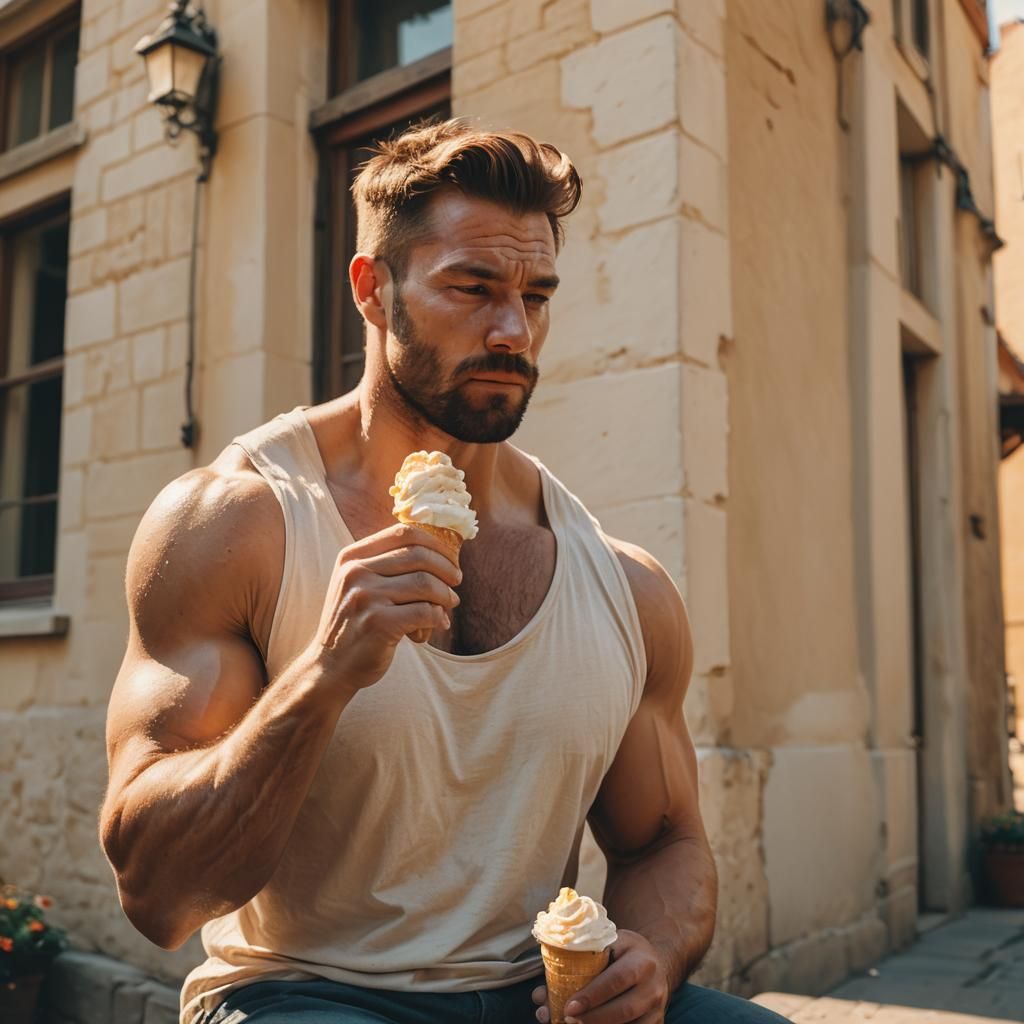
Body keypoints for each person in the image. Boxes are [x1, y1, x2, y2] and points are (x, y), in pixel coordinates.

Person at [99, 119, 787, 1024]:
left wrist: (648, 958)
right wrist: (320, 676)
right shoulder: (235, 525)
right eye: (473, 288)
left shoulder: (624, 588)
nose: (514, 330)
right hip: (309, 993)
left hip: (533, 996)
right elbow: (158, 895)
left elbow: (665, 843)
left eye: (536, 295)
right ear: (373, 289)